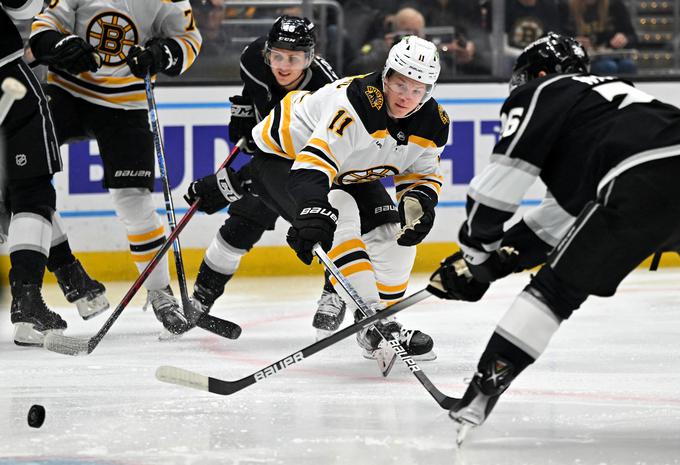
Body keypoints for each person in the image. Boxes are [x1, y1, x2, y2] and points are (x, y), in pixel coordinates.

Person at [427, 33, 680, 439]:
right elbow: (564, 216)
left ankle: (477, 400)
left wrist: (477, 256)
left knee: (554, 293)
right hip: (655, 164)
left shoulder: (545, 91)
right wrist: (506, 257)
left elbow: (493, 190)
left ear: (540, 74)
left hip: (643, 178)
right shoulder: (609, 103)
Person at [188, 36, 448, 359]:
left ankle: (382, 325)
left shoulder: (433, 123)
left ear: (429, 91)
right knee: (338, 212)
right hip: (282, 155)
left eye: (417, 89)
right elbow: (314, 164)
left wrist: (419, 200)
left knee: (392, 232)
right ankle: (373, 323)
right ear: (386, 76)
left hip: (347, 167)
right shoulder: (356, 106)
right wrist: (313, 210)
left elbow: (422, 172)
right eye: (400, 84)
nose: (406, 96)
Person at [29, 0, 202, 334]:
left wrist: (162, 54)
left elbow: (189, 40)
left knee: (133, 199)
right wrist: (60, 46)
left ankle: (159, 291)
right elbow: (42, 28)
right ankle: (68, 270)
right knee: (23, 178)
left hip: (126, 102)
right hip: (67, 92)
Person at [1, 0, 108, 346]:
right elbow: (22, 6)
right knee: (31, 192)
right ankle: (31, 303)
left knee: (17, 196)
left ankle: (73, 278)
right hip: (4, 79)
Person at [560, 0, 637, 75]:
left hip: (610, 54)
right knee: (608, 66)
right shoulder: (566, 6)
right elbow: (557, 37)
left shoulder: (615, 4)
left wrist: (624, 38)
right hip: (582, 59)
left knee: (627, 65)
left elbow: (632, 35)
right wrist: (573, 42)